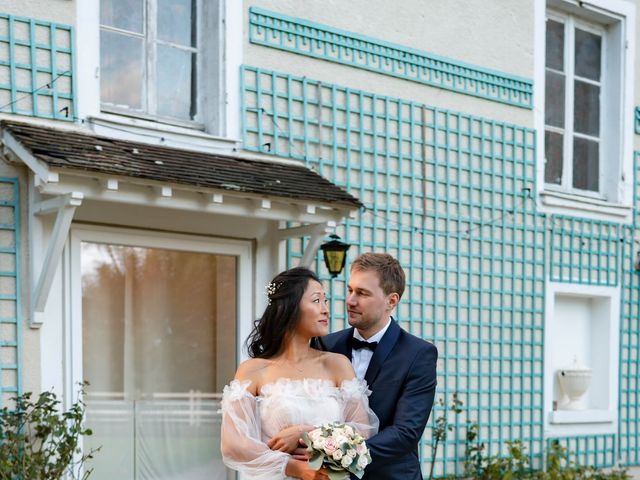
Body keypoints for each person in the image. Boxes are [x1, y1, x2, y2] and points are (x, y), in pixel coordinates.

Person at [220, 267, 379, 480]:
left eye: (325, 301)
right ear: (290, 307)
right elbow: (234, 444)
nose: (325, 310)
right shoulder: (253, 370)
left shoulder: (337, 365)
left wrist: (306, 431)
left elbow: (361, 431)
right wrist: (293, 467)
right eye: (316, 301)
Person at [313, 253, 438, 479]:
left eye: (362, 293)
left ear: (392, 301)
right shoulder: (325, 344)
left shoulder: (418, 354)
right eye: (350, 290)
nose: (350, 300)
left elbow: (405, 433)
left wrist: (336, 455)